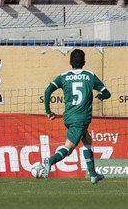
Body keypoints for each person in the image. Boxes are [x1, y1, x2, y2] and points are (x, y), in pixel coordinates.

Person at [41, 49, 110, 184]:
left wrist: (48, 111)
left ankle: (93, 175)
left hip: (69, 117)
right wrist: (101, 96)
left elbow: (48, 90)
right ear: (84, 61)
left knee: (88, 141)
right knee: (69, 148)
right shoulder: (90, 75)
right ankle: (50, 160)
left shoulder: (63, 76)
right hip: (81, 118)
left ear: (70, 62)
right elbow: (107, 93)